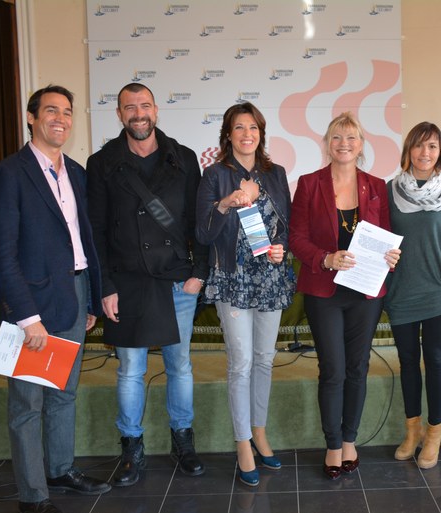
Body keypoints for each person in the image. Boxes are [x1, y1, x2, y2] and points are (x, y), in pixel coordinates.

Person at [0, 85, 111, 513]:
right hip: (33, 305)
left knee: (64, 392)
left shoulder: (76, 171)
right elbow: (2, 255)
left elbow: (84, 239)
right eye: (51, 110)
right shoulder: (9, 173)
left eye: (67, 112)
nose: (61, 118)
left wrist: (91, 298)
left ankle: (60, 470)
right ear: (31, 117)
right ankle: (33, 496)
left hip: (75, 292)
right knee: (28, 403)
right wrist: (27, 317)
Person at [87, 83, 208, 486]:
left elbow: (197, 221)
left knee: (180, 366)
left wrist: (199, 272)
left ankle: (183, 441)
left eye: (144, 106)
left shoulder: (184, 158)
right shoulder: (102, 162)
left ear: (156, 110)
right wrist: (105, 286)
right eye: (129, 107)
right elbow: (96, 231)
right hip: (126, 281)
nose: (138, 114)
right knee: (130, 371)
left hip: (176, 280)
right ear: (119, 114)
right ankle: (131, 448)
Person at [289, 112, 401, 480]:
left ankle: (350, 440)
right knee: (333, 369)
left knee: (357, 367)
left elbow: (386, 236)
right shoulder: (309, 184)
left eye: (351, 137)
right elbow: (297, 238)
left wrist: (392, 256)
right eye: (337, 137)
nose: (344, 144)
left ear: (361, 145)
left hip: (366, 293)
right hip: (324, 292)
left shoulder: (376, 186)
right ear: (327, 143)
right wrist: (326, 258)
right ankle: (333, 444)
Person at [195, 102, 296, 486]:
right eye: (239, 127)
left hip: (269, 278)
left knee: (264, 360)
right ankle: (242, 444)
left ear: (261, 133)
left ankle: (259, 432)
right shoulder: (215, 175)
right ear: (228, 134)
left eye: (253, 127)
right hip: (233, 279)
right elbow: (203, 233)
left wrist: (280, 247)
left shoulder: (276, 173)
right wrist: (227, 202)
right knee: (241, 363)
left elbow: (285, 227)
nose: (247, 134)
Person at [385, 122, 441, 469]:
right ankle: (413, 431)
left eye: (433, 146)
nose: (425, 153)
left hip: (440, 292)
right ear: (408, 149)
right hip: (402, 292)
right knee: (408, 362)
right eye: (419, 145)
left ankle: (435, 434)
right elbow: (381, 238)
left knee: (436, 361)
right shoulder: (390, 190)